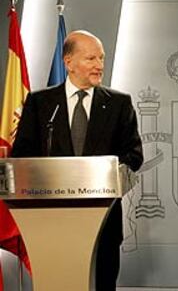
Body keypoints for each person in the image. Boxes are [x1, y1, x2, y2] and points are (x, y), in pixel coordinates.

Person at [11, 30, 143, 290]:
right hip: (50, 220)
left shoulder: (119, 104)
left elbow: (134, 155)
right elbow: (21, 157)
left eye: (101, 58)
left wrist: (103, 172)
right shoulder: (40, 103)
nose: (99, 65)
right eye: (90, 58)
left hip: (102, 223)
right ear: (68, 62)